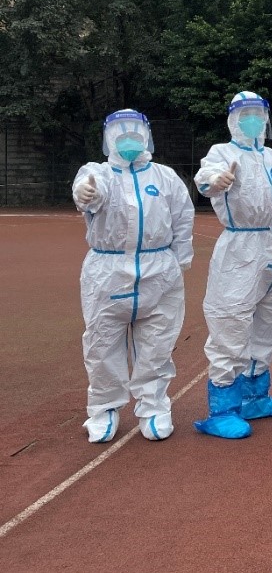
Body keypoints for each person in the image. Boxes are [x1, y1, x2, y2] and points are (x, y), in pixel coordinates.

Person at [72, 109, 194, 443]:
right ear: (109, 138)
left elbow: (183, 217)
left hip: (159, 270)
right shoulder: (98, 173)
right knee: (102, 342)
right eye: (121, 133)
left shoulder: (164, 177)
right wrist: (86, 194)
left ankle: (154, 407)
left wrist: (181, 257)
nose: (129, 139)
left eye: (135, 133)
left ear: (146, 136)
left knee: (157, 342)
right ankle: (104, 409)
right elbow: (88, 191)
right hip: (107, 271)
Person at [192, 91, 272, 439]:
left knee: (269, 321)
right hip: (241, 246)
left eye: (258, 114)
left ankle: (255, 396)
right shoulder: (222, 153)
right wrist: (215, 181)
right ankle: (222, 408)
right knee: (231, 320)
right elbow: (205, 178)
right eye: (245, 114)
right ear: (233, 119)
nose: (253, 120)